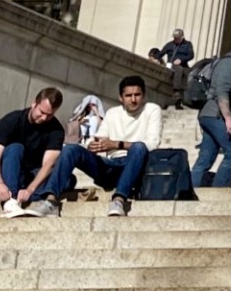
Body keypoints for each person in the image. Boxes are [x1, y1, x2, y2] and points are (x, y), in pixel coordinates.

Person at [35, 74, 163, 217]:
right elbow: (98, 137)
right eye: (128, 96)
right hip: (110, 165)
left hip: (135, 165)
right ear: (121, 98)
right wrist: (94, 145)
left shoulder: (152, 109)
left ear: (144, 96)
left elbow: (152, 144)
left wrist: (116, 144)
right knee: (71, 149)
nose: (133, 99)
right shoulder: (113, 113)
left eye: (137, 95)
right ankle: (51, 201)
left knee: (139, 147)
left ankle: (118, 200)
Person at [0, 90, 65, 217]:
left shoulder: (56, 130)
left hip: (29, 175)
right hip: (2, 170)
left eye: (49, 115)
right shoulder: (12, 120)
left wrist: (30, 189)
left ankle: (6, 195)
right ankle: (9, 201)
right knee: (16, 148)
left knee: (67, 179)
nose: (44, 118)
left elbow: (48, 165)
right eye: (42, 112)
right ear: (34, 103)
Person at [191, 33, 231, 189]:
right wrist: (229, 119)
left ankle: (190, 192)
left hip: (210, 115)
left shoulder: (229, 63)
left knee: (206, 158)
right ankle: (218, 192)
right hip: (217, 115)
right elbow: (222, 92)